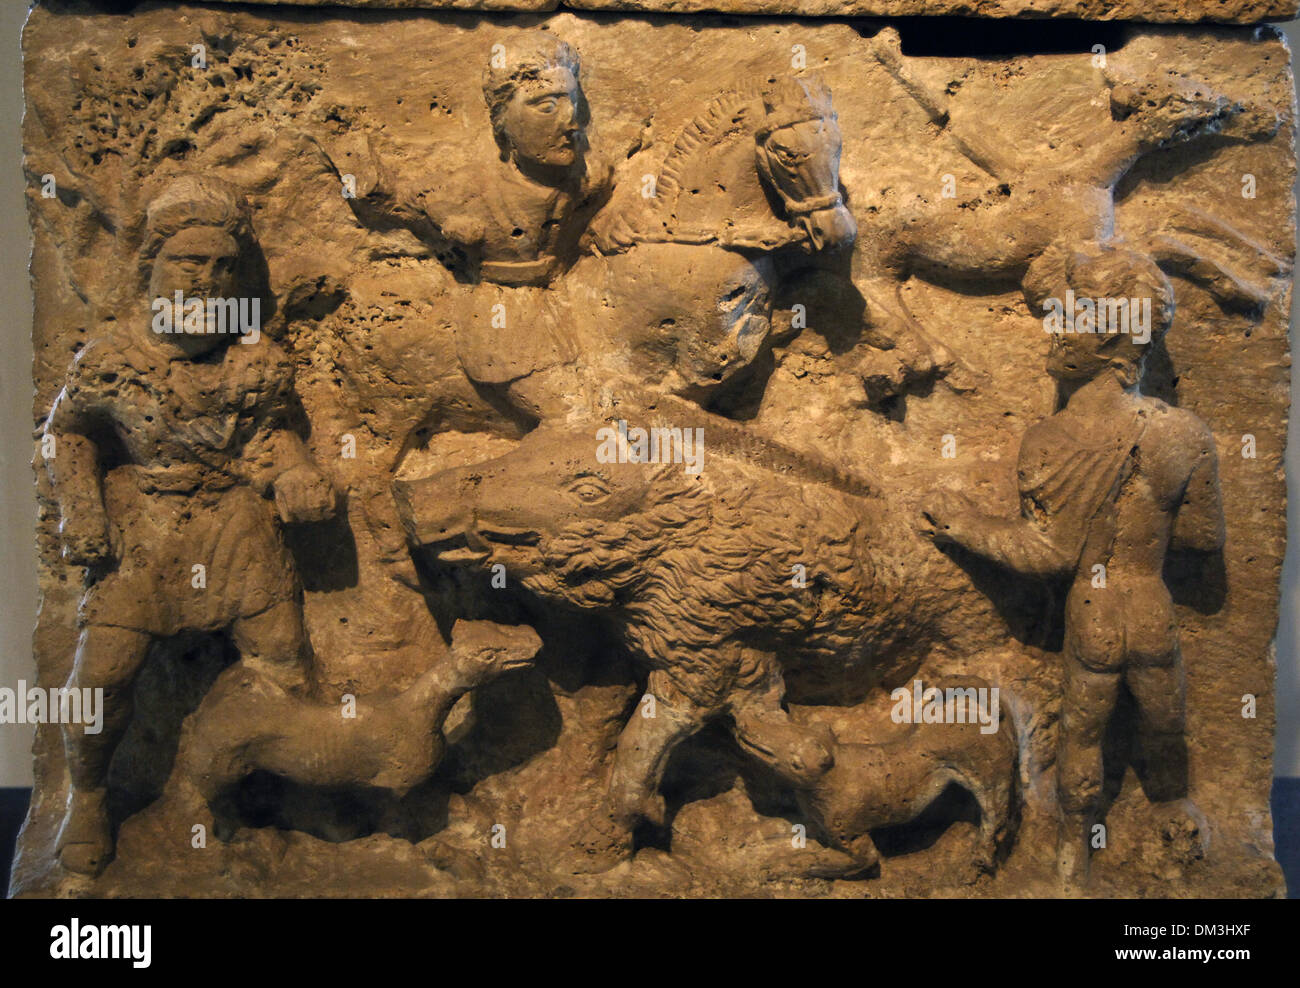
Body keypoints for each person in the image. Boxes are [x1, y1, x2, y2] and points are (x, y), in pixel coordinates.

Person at [43, 175, 335, 876]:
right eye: (188, 263)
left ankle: (224, 795)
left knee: (285, 665)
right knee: (103, 675)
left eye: (222, 267)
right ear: (153, 269)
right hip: (146, 523)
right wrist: (81, 509)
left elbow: (270, 438)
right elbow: (66, 434)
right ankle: (86, 795)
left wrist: (294, 472)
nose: (206, 281)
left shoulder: (255, 359)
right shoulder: (115, 359)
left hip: (234, 521)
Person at [919, 244, 1225, 885]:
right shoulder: (1187, 435)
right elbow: (1200, 540)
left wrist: (963, 526)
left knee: (1082, 739)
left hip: (1092, 611)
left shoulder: (1052, 439)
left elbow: (1048, 553)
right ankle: (1176, 816)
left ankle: (1071, 861)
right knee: (1165, 725)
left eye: (1070, 319)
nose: (1054, 330)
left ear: (1113, 343)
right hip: (1150, 606)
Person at [365, 32, 612, 287]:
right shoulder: (460, 193)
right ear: (501, 120)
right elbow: (384, 198)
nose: (571, 123)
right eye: (547, 107)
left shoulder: (591, 182)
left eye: (573, 103)